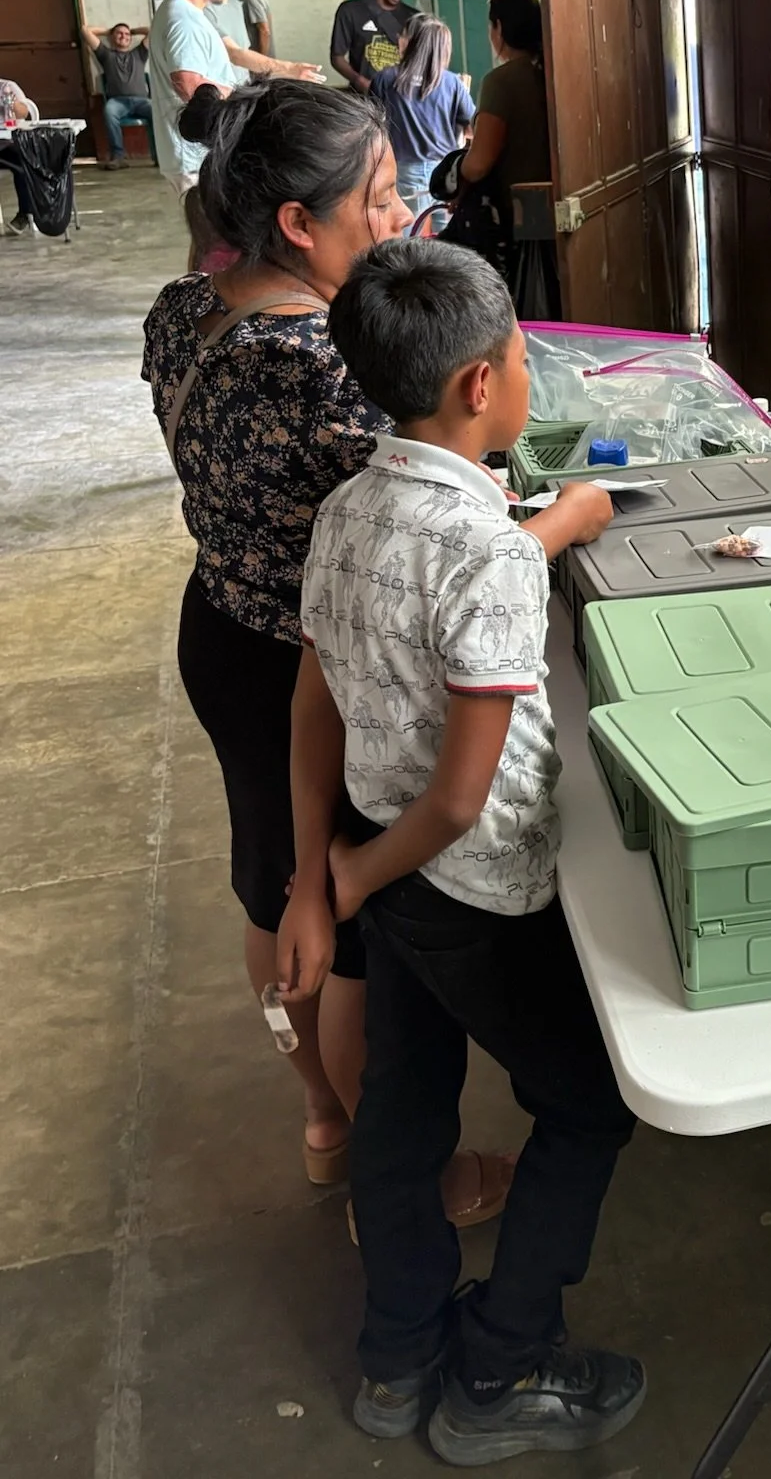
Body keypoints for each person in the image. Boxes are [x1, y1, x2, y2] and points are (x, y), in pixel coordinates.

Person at [279, 237, 643, 1462]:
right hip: (465, 885)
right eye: (525, 355)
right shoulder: (483, 550)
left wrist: (322, 875)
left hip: (384, 863)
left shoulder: (348, 508)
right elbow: (459, 798)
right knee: (588, 1104)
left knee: (404, 1109)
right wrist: (348, 882)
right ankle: (502, 1364)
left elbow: (314, 699)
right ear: (483, 385)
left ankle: (396, 1359)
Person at [141, 82, 513, 1228]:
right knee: (344, 920)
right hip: (321, 666)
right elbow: (444, 525)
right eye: (383, 197)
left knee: (273, 879)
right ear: (300, 224)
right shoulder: (319, 363)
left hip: (224, 628)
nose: (401, 214)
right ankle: (406, 1173)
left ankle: (326, 1121)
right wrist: (555, 518)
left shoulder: (182, 308)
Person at [148, 0, 322, 262]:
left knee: (210, 238)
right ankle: (207, 303)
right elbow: (191, 85)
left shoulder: (189, 14)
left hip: (199, 151)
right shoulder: (182, 19)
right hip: (197, 152)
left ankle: (206, 298)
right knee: (215, 241)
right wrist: (247, 98)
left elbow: (232, 55)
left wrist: (285, 70)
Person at [453, 0, 559, 317]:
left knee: (525, 308)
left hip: (519, 215)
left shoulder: (503, 80)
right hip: (562, 206)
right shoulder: (556, 71)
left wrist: (456, 169)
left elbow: (479, 164)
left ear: (499, 27)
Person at [371, 15, 474, 226]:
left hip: (403, 170)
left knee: (410, 233)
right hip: (446, 169)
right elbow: (473, 128)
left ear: (414, 42)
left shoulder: (386, 79)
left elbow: (372, 125)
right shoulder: (452, 83)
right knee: (447, 239)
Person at [331, 0, 417, 92]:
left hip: (401, 96)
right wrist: (358, 80)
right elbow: (337, 57)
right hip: (364, 98)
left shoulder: (414, 17)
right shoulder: (351, 11)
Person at [83, 21, 153, 169]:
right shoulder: (105, 54)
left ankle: (161, 157)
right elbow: (85, 30)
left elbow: (152, 30)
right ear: (112, 37)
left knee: (158, 112)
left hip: (142, 101)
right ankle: (118, 157)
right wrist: (109, 31)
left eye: (127, 34)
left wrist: (132, 30)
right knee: (109, 111)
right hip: (118, 102)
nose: (124, 36)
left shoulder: (139, 53)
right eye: (119, 33)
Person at [0, 76, 41, 233]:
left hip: (6, 144)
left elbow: (24, 113)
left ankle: (26, 213)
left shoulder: (7, 86)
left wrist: (13, 104)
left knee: (22, 160)